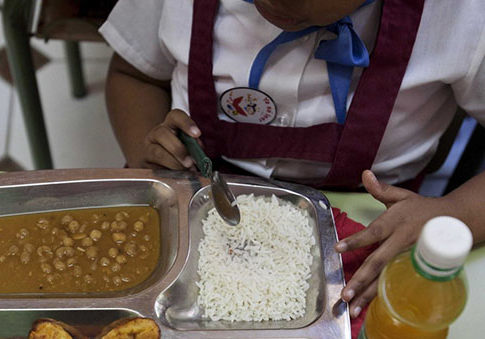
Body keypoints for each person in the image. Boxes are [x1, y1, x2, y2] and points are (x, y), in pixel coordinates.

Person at [98, 0, 485, 317]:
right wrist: (146, 150)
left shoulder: (463, 14)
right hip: (198, 195)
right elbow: (134, 74)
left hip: (376, 233)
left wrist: (451, 215)